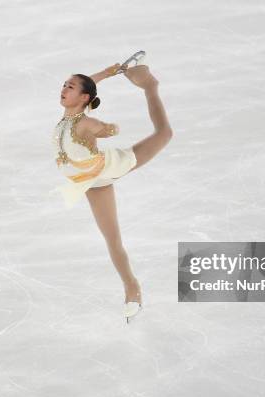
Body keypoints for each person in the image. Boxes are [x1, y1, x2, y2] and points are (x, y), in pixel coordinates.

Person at [50, 60, 173, 322]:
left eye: (69, 87)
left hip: (105, 170)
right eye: (64, 84)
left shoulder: (84, 123)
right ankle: (132, 287)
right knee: (112, 239)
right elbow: (87, 86)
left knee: (164, 133)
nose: (63, 89)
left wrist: (106, 130)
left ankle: (151, 86)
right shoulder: (68, 116)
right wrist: (106, 73)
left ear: (83, 98)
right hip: (89, 182)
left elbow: (106, 129)